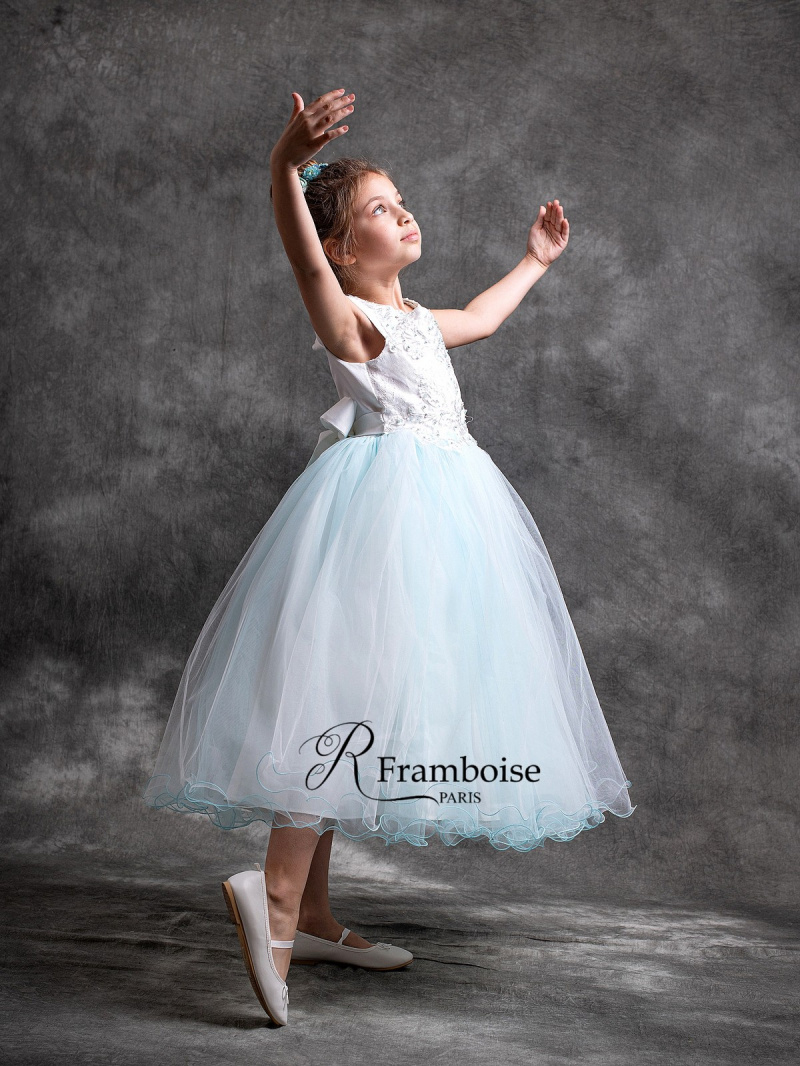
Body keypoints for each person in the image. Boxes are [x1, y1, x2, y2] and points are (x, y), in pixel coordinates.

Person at [142, 86, 635, 1026]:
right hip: (382, 519)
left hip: (445, 521)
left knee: (367, 702)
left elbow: (482, 318)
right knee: (335, 697)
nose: (402, 212)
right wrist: (284, 168)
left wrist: (534, 262)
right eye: (378, 208)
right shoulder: (355, 323)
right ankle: (274, 897)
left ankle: (314, 915)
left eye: (400, 200)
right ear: (340, 248)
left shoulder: (416, 320)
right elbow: (302, 265)